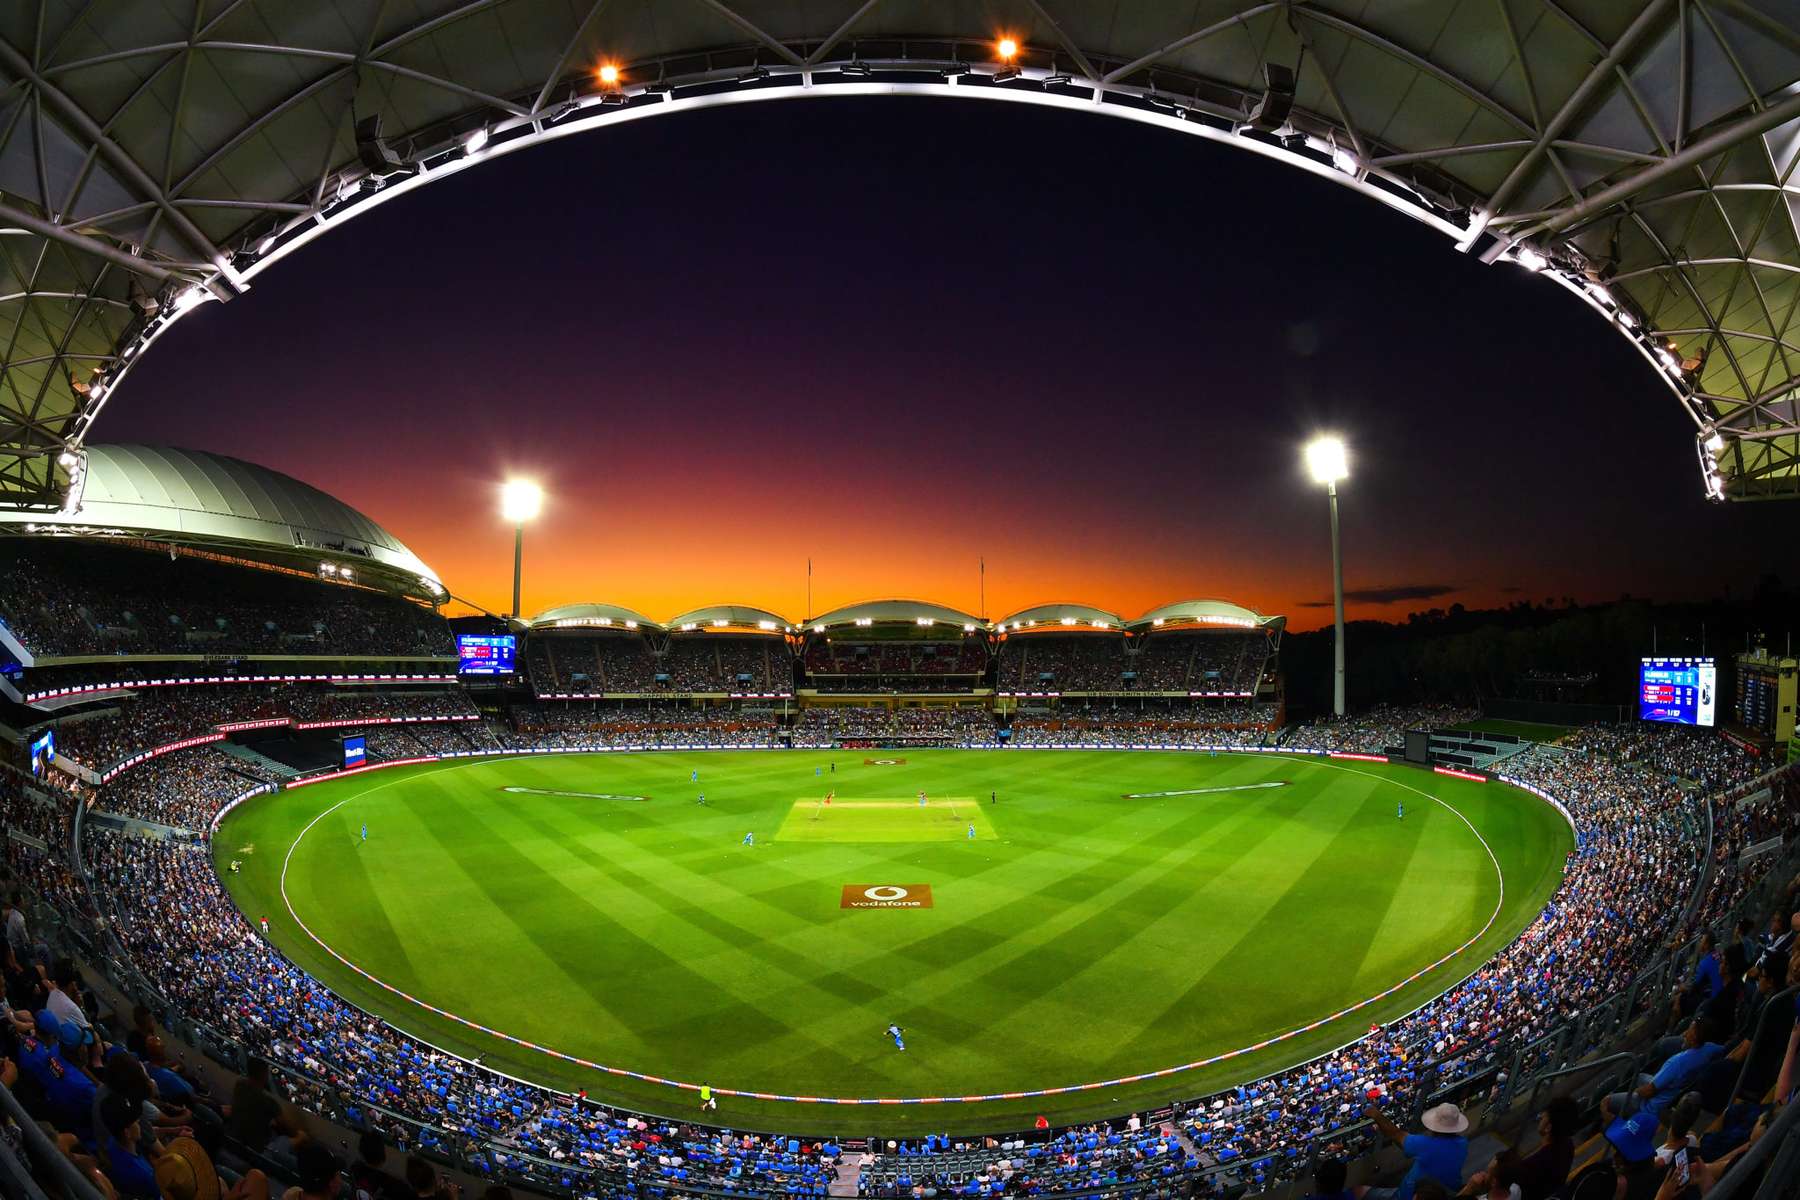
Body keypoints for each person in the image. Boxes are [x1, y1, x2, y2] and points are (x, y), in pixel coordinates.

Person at [1602, 1016, 1725, 1121]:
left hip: (1650, 1106)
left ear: (1694, 1038)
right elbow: (1725, 1050)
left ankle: (1617, 1128)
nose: (1685, 1033)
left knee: (1605, 1101)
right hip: (1673, 1092)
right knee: (1639, 1077)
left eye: (1689, 1031)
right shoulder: (1710, 1048)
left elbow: (1649, 1091)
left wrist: (1636, 1092)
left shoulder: (1676, 1062)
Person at [1359, 1101, 1468, 1200]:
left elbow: (1395, 1134)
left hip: (1407, 1196)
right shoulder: (1462, 1143)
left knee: (1359, 1190)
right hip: (1445, 1193)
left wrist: (1376, 1115)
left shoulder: (1425, 1145)